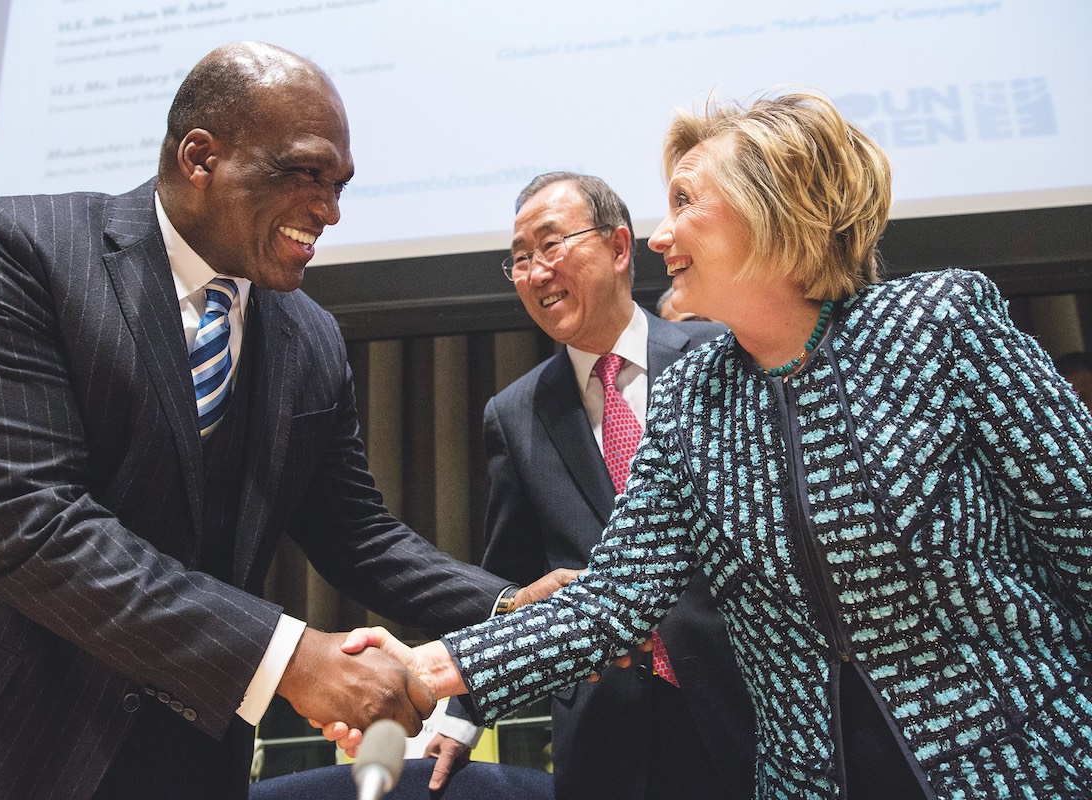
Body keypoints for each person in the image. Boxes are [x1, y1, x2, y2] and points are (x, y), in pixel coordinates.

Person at [335, 92, 1092, 798]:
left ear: (776, 208)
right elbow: (611, 601)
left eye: (685, 202)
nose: (660, 237)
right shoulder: (695, 397)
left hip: (1020, 762)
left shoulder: (940, 325)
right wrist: (429, 669)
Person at [0, 41, 573, 800]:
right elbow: (28, 524)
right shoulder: (20, 251)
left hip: (180, 756)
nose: (331, 210)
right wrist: (292, 660)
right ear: (200, 156)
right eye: (307, 172)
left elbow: (357, 536)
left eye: (340, 184)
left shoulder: (311, 337)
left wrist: (508, 608)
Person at [423, 172, 753, 800]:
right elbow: (510, 576)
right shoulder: (515, 414)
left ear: (620, 248)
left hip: (742, 705)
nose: (535, 272)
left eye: (550, 246)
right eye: (519, 260)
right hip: (607, 731)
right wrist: (464, 711)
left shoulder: (719, 357)